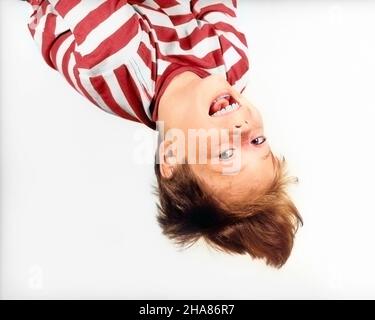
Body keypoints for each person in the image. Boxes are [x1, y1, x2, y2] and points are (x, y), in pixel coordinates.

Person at [21, 0, 302, 268]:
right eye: (257, 142)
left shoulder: (117, 56)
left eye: (226, 154)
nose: (243, 129)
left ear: (172, 152)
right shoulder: (232, 67)